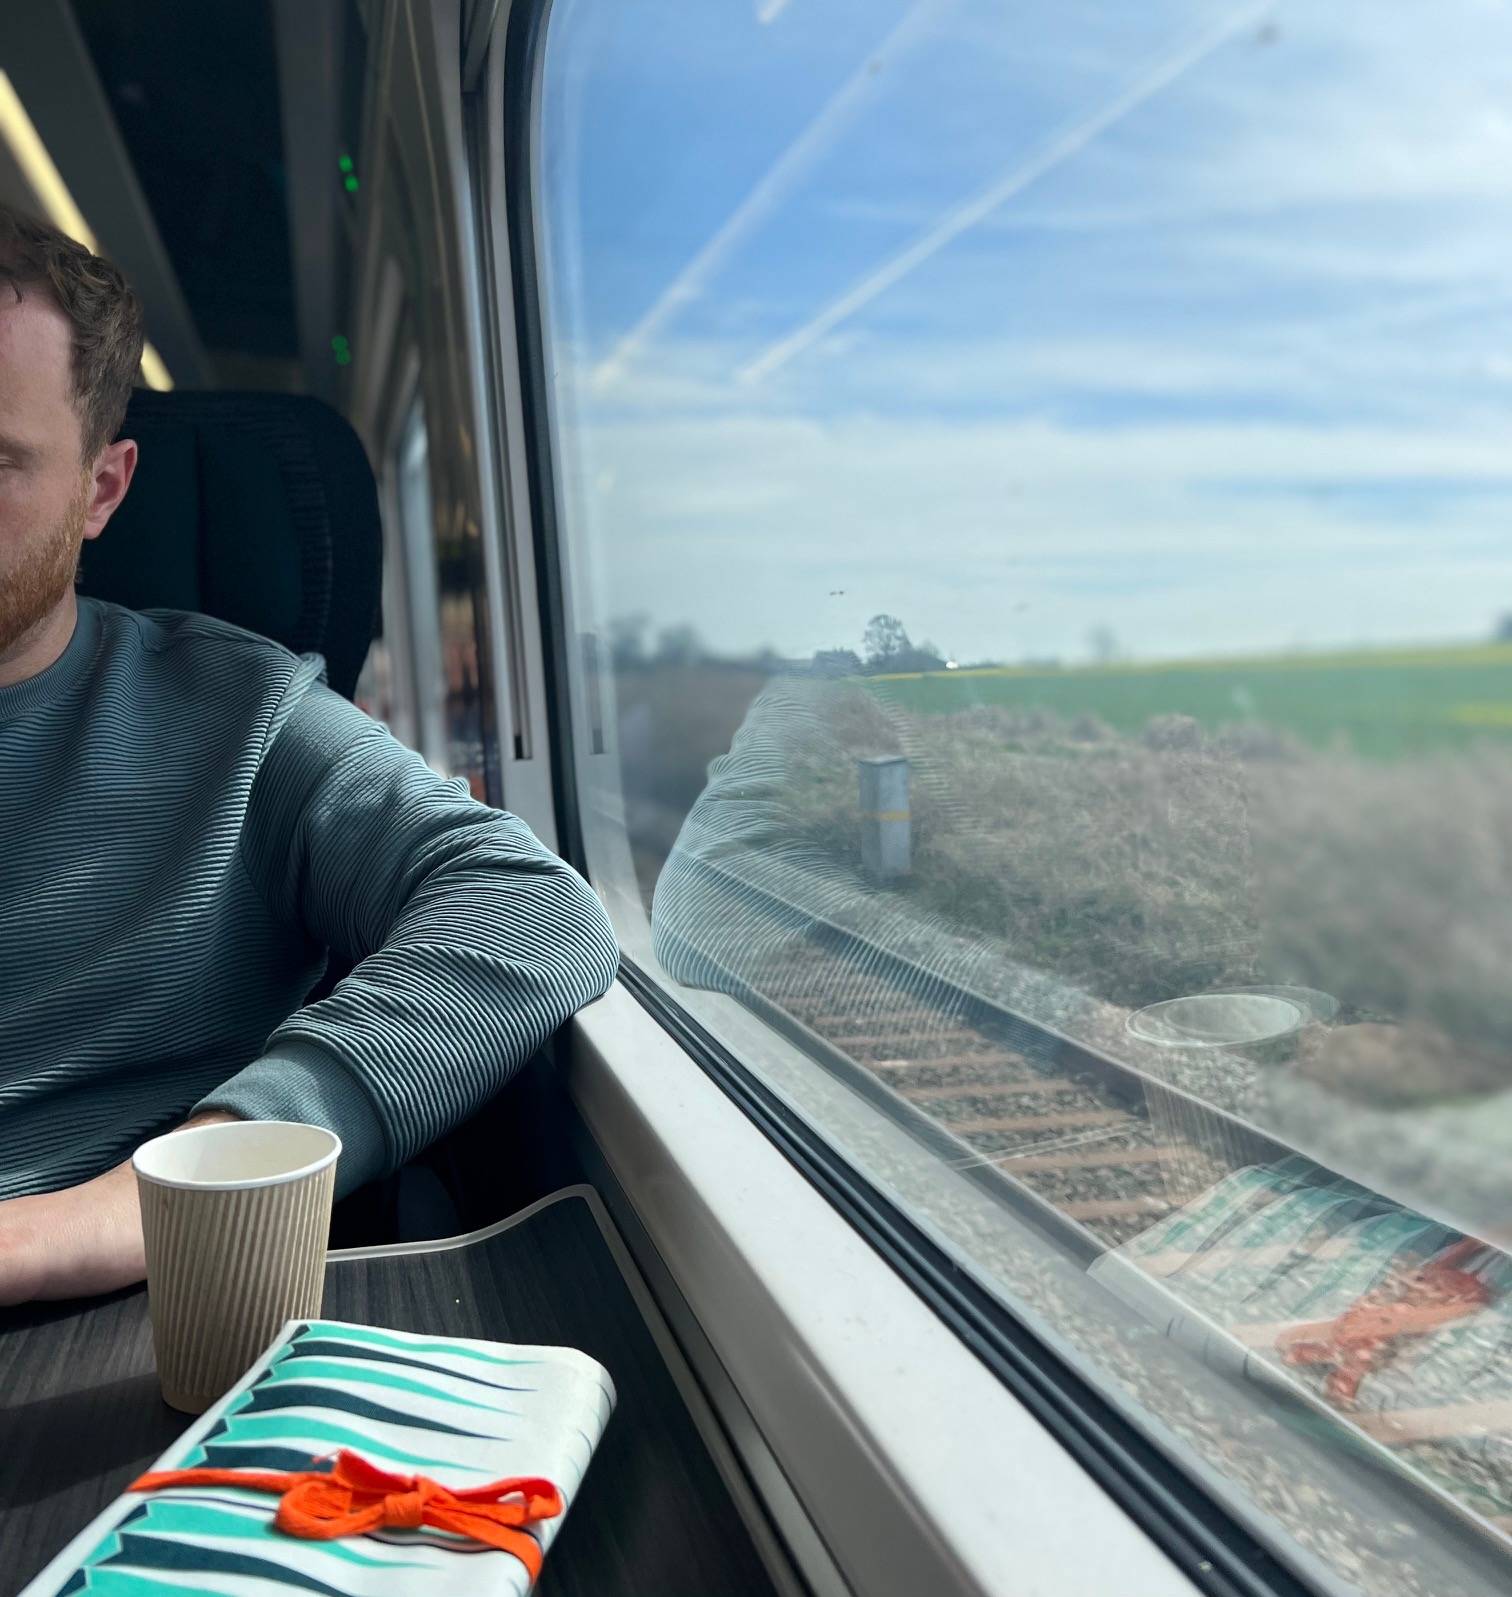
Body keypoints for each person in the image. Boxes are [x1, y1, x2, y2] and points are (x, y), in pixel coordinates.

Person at [0, 204, 619, 1306]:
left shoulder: (236, 715)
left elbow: (531, 908)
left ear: (101, 491)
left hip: (98, 1328)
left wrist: (149, 1197)